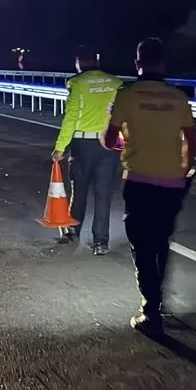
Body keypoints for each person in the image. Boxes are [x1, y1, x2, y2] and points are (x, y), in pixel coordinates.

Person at [103, 38, 196, 334]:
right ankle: (159, 301)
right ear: (164, 64)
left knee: (142, 245)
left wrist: (124, 142)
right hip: (172, 182)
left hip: (140, 180)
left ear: (137, 64)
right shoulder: (178, 97)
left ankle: (150, 310)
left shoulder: (126, 95)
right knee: (161, 241)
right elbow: (192, 142)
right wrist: (184, 171)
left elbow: (108, 140)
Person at [52, 46, 122, 254]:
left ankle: (73, 231)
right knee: (103, 194)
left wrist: (60, 147)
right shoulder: (115, 83)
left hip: (84, 145)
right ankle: (101, 242)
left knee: (80, 190)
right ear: (97, 61)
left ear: (79, 63)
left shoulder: (77, 83)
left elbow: (71, 119)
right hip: (110, 143)